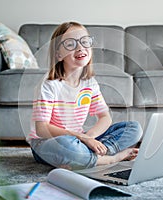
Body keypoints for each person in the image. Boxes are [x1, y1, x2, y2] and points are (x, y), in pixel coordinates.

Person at [27, 21, 143, 170]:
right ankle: (109, 158)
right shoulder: (49, 85)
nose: (80, 47)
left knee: (134, 128)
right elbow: (41, 129)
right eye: (70, 44)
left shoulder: (90, 83)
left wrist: (90, 137)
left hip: (79, 140)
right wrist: (82, 137)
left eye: (84, 41)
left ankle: (88, 156)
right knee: (68, 145)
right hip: (46, 142)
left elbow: (105, 117)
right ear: (58, 54)